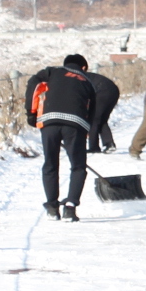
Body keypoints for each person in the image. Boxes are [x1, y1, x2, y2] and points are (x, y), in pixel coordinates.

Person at [24, 53, 97, 220]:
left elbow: (33, 84)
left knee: (50, 164)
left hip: (49, 122)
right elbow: (92, 112)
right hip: (76, 125)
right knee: (78, 166)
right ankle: (70, 207)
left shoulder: (52, 72)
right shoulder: (88, 82)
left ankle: (52, 207)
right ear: (83, 67)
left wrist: (31, 112)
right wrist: (84, 132)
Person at [86, 64, 121, 153]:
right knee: (101, 119)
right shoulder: (77, 76)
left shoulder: (74, 79)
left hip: (103, 91)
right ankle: (109, 144)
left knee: (94, 118)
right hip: (113, 90)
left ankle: (94, 147)